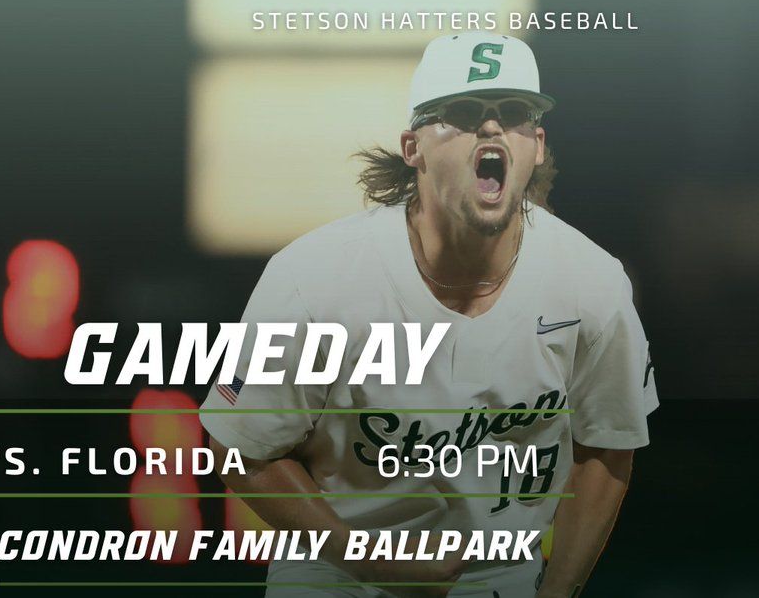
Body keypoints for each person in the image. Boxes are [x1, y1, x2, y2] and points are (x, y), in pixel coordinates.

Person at [201, 32, 659, 597]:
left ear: (536, 146)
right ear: (413, 146)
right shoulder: (313, 279)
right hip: (337, 573)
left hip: (502, 579)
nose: (491, 129)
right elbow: (236, 444)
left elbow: (608, 444)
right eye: (464, 113)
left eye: (513, 114)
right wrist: (361, 559)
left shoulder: (591, 284)